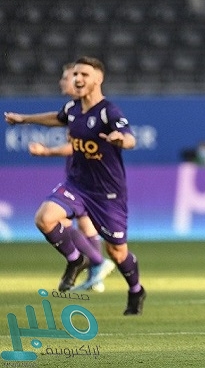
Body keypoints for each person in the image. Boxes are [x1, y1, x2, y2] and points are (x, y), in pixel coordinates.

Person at [4, 56, 146, 315]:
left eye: (84, 74)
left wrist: (120, 139)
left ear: (98, 79)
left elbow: (130, 138)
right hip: (77, 184)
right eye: (76, 74)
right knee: (45, 218)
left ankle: (136, 290)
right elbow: (57, 117)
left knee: (117, 252)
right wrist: (24, 119)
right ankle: (75, 259)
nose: (78, 79)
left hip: (107, 193)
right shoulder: (73, 108)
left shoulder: (108, 111)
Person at [27, 62, 115, 292]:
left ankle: (95, 263)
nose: (64, 82)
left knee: (61, 221)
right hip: (80, 175)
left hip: (87, 179)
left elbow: (78, 146)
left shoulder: (89, 110)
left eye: (66, 78)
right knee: (83, 224)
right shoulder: (75, 109)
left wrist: (47, 151)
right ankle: (96, 274)